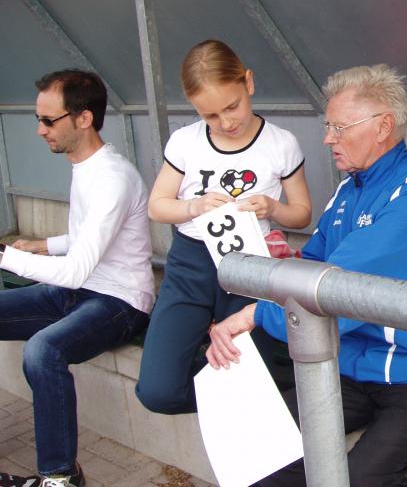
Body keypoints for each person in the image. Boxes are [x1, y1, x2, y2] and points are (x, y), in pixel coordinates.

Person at [206, 64, 407, 487]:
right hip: (354, 366)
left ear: (383, 126)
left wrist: (252, 316)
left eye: (339, 127)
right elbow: (311, 265)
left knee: (362, 478)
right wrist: (280, 262)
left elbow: (339, 290)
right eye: (328, 126)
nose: (328, 138)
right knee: (261, 448)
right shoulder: (346, 191)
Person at [136, 39, 312, 415]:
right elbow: (157, 205)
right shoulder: (185, 141)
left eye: (232, 106)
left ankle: (249, 397)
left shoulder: (281, 143)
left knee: (254, 373)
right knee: (157, 391)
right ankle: (236, 400)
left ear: (248, 82)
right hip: (190, 266)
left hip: (252, 267)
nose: (226, 122)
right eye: (210, 116)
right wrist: (193, 207)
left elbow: (301, 214)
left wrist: (273, 208)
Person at [0, 70, 154, 487]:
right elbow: (88, 236)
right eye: (39, 118)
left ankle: (60, 476)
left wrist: (7, 256)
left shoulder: (112, 178)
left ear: (83, 118)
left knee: (43, 351)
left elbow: (75, 269)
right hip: (78, 292)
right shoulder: (86, 166)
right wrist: (43, 245)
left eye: (48, 120)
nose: (39, 130)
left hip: (119, 302)